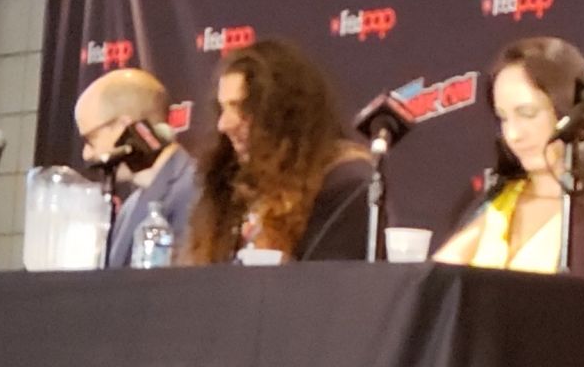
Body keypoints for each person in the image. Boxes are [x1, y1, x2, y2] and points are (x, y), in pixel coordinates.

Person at [434, 37, 584, 276]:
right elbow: (435, 282)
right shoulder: (497, 200)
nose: (513, 135)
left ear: (570, 108)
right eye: (503, 118)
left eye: (528, 113)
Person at [185, 38, 375, 264]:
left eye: (242, 108)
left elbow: (333, 280)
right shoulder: (231, 182)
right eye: (223, 109)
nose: (224, 125)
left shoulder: (345, 183)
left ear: (286, 113)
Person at [73, 67, 198, 268]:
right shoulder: (130, 206)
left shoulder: (197, 190)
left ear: (124, 127)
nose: (86, 154)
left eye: (90, 139)